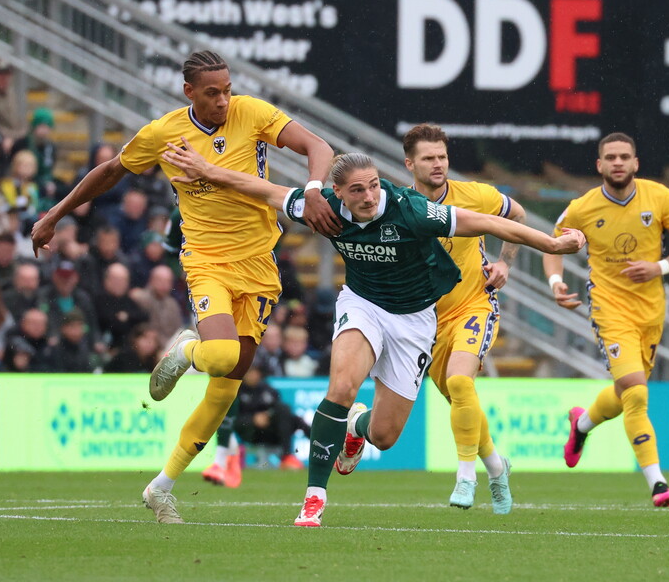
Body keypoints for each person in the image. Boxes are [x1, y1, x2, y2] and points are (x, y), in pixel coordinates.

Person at [160, 146, 585, 528]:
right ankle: (313, 500)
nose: (369, 196)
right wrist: (206, 170)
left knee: (383, 435)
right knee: (341, 386)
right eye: (358, 190)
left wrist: (551, 245)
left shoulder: (411, 210)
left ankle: (356, 426)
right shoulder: (321, 209)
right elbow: (264, 189)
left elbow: (490, 223)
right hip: (362, 305)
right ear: (338, 193)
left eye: (374, 186)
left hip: (415, 321)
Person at [30, 50, 339, 525]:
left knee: (225, 389)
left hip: (259, 264)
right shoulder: (163, 133)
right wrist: (55, 214)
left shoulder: (252, 113)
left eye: (227, 89)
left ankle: (161, 488)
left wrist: (314, 187)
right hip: (206, 261)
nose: (223, 100)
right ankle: (186, 351)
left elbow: (318, 146)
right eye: (212, 93)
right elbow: (111, 170)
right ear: (189, 92)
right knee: (219, 357)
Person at [544, 132, 669, 508]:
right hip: (608, 307)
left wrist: (659, 266)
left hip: (650, 310)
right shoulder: (582, 208)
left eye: (624, 157)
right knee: (635, 392)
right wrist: (555, 281)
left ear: (635, 163)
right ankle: (658, 482)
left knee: (625, 392)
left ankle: (581, 424)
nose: (617, 162)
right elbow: (551, 246)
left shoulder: (660, 198)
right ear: (599, 165)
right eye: (610, 157)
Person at [403, 123, 520, 513]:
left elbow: (516, 214)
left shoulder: (476, 195)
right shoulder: (401, 206)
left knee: (459, 380)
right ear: (409, 163)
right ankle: (497, 467)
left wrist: (504, 262)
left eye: (442, 157)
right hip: (426, 323)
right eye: (428, 158)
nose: (438, 165)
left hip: (475, 305)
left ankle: (465, 478)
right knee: (460, 397)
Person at [233, 365, 311, 470]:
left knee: (292, 417)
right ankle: (286, 456)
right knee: (285, 413)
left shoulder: (267, 389)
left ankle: (321, 450)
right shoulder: (236, 392)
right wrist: (252, 419)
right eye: (249, 372)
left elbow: (278, 408)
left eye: (255, 372)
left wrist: (267, 416)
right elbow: (233, 419)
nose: (253, 375)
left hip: (271, 430)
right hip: (251, 432)